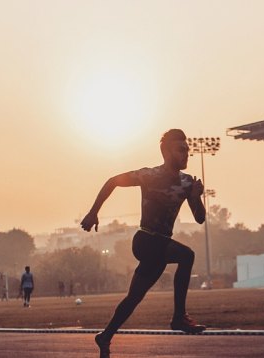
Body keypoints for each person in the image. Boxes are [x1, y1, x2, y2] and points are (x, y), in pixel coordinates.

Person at [81, 129, 207, 358]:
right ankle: (179, 317)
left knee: (134, 298)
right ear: (166, 152)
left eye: (187, 150)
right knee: (187, 255)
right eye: (181, 150)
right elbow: (112, 181)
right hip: (145, 240)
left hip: (161, 246)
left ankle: (105, 336)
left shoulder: (188, 182)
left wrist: (197, 196)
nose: (186, 154)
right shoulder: (149, 175)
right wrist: (93, 213)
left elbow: (199, 218)